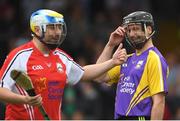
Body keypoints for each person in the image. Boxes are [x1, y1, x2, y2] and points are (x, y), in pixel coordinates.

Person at [0, 9, 127, 120]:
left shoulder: (61, 57)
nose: (57, 32)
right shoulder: (19, 56)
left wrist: (112, 62)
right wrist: (24, 100)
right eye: (52, 27)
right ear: (37, 30)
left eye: (59, 27)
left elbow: (84, 73)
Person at [95, 11, 169, 120]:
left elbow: (159, 102)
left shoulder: (154, 58)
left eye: (135, 29)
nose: (131, 34)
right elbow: (99, 76)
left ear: (148, 29)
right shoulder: (126, 59)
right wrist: (110, 45)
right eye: (129, 30)